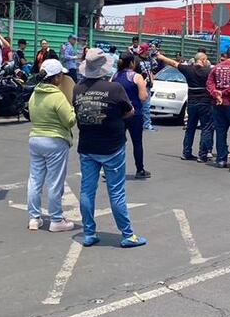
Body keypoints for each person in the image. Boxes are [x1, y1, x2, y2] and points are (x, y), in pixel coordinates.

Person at [73, 49, 147, 248]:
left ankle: (89, 232)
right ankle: (127, 234)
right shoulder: (114, 89)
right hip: (112, 146)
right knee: (116, 192)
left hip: (87, 145)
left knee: (87, 191)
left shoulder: (78, 89)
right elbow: (129, 111)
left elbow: (78, 111)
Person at [26, 59, 77, 231]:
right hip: (55, 141)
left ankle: (34, 218)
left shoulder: (35, 94)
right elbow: (69, 120)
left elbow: (32, 116)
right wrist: (74, 110)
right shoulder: (56, 96)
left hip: (35, 139)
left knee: (35, 179)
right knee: (55, 182)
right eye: (61, 75)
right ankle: (56, 220)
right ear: (56, 78)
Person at [157, 51, 213, 162]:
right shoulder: (208, 71)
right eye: (206, 59)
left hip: (192, 102)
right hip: (205, 103)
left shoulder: (188, 69)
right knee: (206, 128)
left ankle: (186, 152)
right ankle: (202, 155)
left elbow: (173, 63)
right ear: (202, 60)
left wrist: (162, 57)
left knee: (190, 128)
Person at [112, 53, 151, 179]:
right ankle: (140, 170)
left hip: (119, 114)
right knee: (137, 143)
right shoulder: (137, 77)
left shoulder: (115, 76)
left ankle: (114, 170)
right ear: (132, 63)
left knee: (118, 143)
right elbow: (143, 97)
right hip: (135, 114)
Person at [207, 47, 230, 168]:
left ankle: (221, 159)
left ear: (227, 55)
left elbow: (209, 84)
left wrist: (216, 94)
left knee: (220, 131)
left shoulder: (216, 67)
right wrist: (225, 92)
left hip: (217, 103)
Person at [136, 44, 158, 131]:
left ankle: (146, 123)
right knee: (140, 105)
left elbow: (151, 71)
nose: (148, 51)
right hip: (139, 85)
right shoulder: (136, 60)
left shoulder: (149, 59)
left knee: (146, 105)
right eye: (147, 50)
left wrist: (152, 80)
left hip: (148, 85)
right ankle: (142, 123)